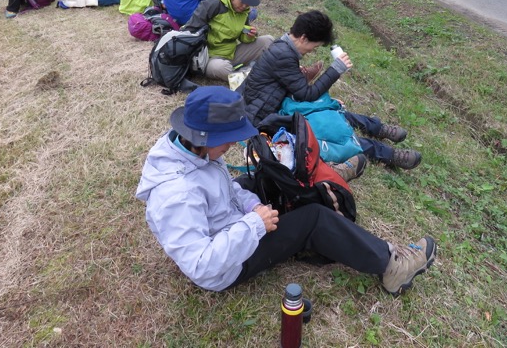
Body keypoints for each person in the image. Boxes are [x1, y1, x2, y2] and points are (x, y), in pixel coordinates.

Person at [135, 86, 437, 295]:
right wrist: (254, 224)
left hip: (226, 223)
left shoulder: (191, 148)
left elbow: (225, 187)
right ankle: (391, 266)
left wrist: (251, 206)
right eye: (227, 139)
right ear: (205, 137)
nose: (231, 146)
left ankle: (326, 179)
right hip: (226, 266)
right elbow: (202, 265)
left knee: (267, 176)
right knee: (314, 220)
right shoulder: (177, 195)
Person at [243, 10, 422, 170]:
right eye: (315, 46)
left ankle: (377, 128)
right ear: (304, 38)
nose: (313, 51)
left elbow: (296, 91)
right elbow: (306, 94)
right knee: (327, 128)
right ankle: (388, 154)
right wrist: (336, 69)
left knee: (330, 107)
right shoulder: (283, 54)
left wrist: (326, 102)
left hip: (275, 103)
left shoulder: (284, 48)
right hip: (264, 116)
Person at [182, 0, 273, 82]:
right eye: (242, 1)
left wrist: (249, 35)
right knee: (220, 68)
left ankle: (243, 74)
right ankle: (248, 76)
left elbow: (241, 35)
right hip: (209, 58)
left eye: (248, 2)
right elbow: (190, 29)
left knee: (268, 40)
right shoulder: (213, 4)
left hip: (232, 53)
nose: (245, 6)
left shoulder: (244, 10)